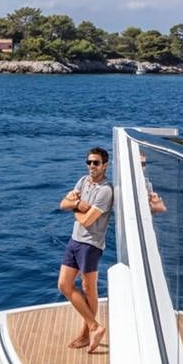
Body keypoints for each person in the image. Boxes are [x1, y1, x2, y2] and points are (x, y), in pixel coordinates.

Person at [58, 147, 113, 353]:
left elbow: (88, 221)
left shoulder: (105, 191)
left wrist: (76, 208)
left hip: (90, 245)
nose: (92, 166)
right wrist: (78, 205)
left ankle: (86, 333)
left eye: (96, 163)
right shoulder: (83, 181)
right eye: (89, 162)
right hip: (74, 241)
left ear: (105, 165)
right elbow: (63, 203)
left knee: (89, 289)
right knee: (64, 285)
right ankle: (94, 326)